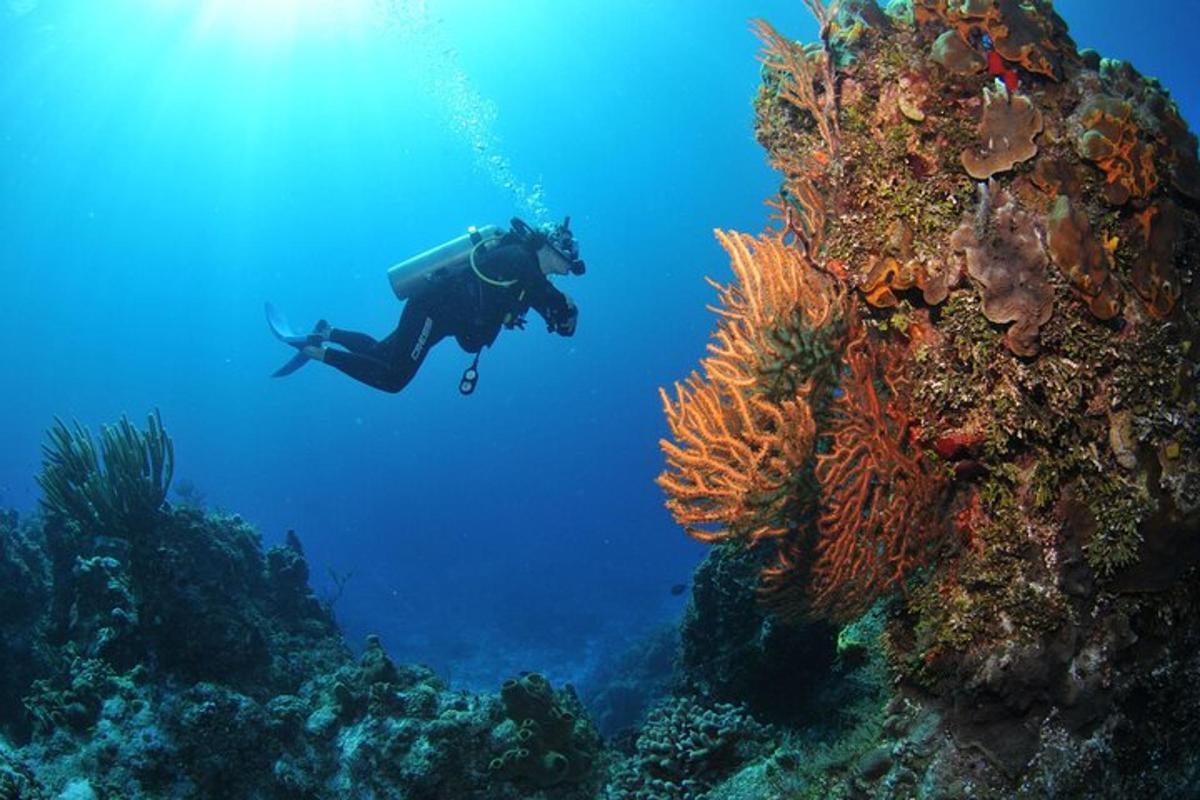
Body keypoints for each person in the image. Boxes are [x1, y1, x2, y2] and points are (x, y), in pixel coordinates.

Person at [273, 217, 583, 395]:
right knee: (394, 378)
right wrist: (564, 307)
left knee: (382, 354)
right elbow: (549, 299)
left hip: (440, 318)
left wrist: (561, 314)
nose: (570, 266)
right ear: (550, 246)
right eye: (568, 256)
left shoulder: (526, 280)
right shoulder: (518, 258)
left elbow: (557, 319)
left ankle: (327, 332)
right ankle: (314, 351)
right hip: (431, 310)